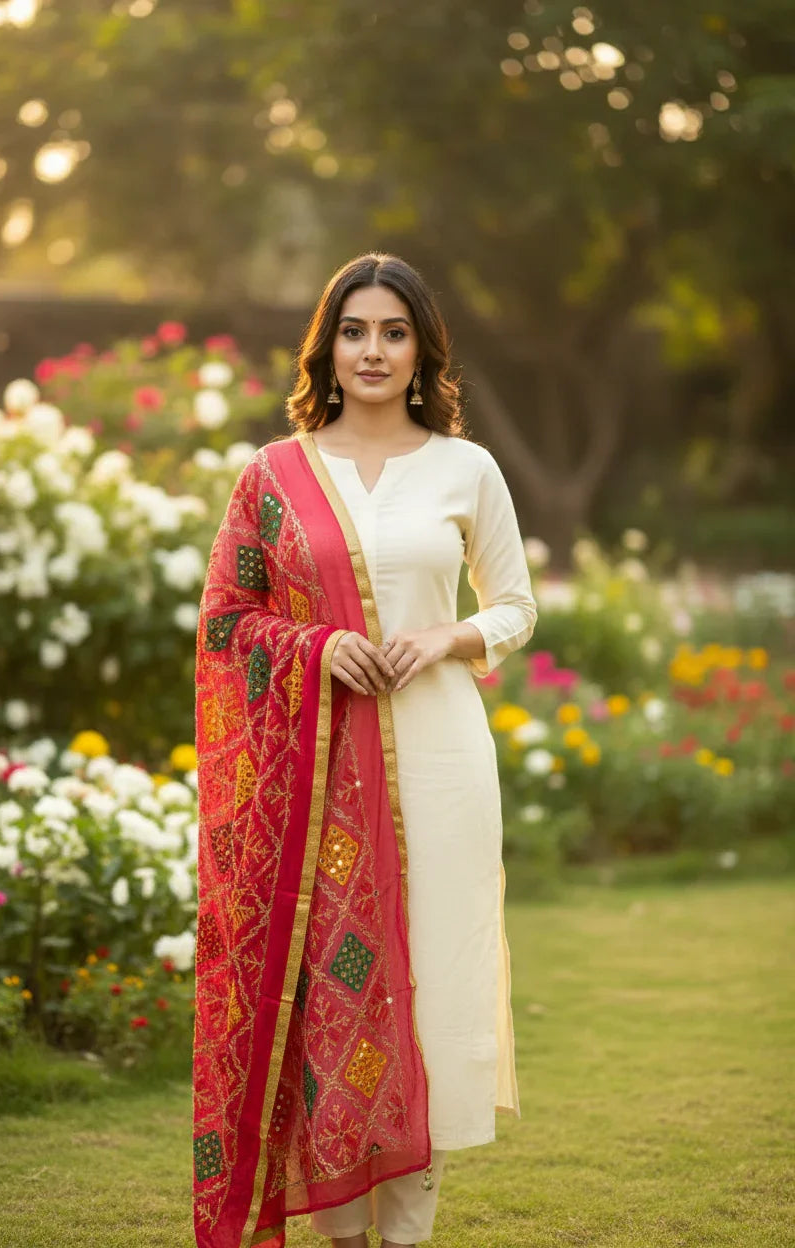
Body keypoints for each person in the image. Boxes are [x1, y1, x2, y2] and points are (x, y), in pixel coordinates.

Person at [192, 252, 537, 1248]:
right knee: (329, 998)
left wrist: (446, 638)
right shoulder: (273, 474)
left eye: (394, 332)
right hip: (314, 780)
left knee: (428, 999)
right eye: (354, 331)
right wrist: (316, 646)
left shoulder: (466, 469)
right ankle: (344, 1233)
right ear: (327, 348)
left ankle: (407, 1235)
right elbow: (226, 622)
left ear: (423, 349)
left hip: (442, 766)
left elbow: (514, 605)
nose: (373, 351)